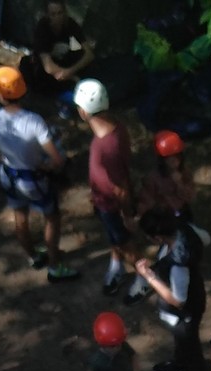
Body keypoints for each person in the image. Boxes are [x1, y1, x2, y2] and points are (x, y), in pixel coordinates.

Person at [0, 66, 79, 281]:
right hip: (33, 178)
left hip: (8, 175)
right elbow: (57, 159)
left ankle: (33, 256)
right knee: (52, 217)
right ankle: (54, 266)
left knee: (20, 215)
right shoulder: (33, 121)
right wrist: (46, 166)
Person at [134, 208, 209, 371]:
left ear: (158, 237)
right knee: (181, 339)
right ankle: (181, 364)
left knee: (192, 350)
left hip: (187, 310)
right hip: (191, 300)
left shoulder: (178, 265)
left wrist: (149, 277)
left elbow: (178, 300)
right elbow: (205, 238)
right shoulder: (183, 229)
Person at [75, 79, 135, 297]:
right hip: (103, 201)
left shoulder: (106, 145)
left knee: (125, 243)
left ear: (83, 111)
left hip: (112, 205)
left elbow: (120, 188)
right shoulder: (115, 128)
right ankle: (116, 265)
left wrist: (127, 215)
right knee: (114, 236)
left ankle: (143, 277)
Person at [127, 130, 199, 303]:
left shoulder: (184, 174)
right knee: (166, 254)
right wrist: (138, 217)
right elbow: (146, 200)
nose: (174, 161)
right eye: (169, 158)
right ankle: (148, 280)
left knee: (190, 244)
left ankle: (182, 272)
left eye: (177, 157)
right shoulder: (153, 178)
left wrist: (179, 183)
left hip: (182, 216)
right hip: (165, 221)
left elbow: (190, 196)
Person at [21, 0, 95, 96]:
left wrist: (70, 71)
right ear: (47, 15)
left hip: (64, 63)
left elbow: (89, 54)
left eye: (60, 13)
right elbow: (48, 67)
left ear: (64, 13)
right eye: (53, 14)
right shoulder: (42, 28)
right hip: (46, 68)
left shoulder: (70, 23)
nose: (57, 17)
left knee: (83, 58)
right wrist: (71, 77)